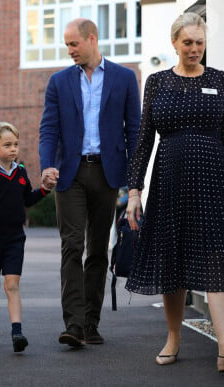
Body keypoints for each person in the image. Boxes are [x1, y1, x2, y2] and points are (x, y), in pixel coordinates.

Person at [125, 13, 224, 371]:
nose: (195, 49)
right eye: (188, 42)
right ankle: (173, 337)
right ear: (174, 43)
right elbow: (143, 141)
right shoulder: (157, 82)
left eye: (200, 42)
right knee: (173, 258)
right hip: (170, 181)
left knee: (216, 258)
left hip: (214, 181)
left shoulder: (220, 81)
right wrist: (134, 190)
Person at [39, 18, 141, 347]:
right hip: (70, 173)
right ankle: (74, 324)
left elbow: (135, 131)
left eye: (73, 44)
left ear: (91, 39)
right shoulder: (58, 81)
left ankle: (91, 323)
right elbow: (48, 129)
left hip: (108, 173)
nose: (69, 50)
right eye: (66, 45)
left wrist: (133, 181)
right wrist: (46, 166)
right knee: (72, 247)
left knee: (98, 249)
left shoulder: (125, 78)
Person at [0, 122, 52, 352]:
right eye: (7, 145)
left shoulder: (21, 172)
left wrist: (45, 189)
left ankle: (17, 332)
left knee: (12, 285)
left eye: (16, 144)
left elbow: (27, 200)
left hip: (16, 238)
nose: (13, 149)